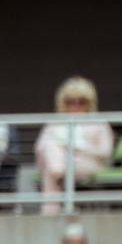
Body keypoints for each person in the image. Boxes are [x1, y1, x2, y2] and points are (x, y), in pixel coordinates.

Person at [33, 77, 114, 209]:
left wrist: (80, 148)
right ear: (62, 103)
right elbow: (40, 148)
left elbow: (106, 151)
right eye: (70, 102)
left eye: (81, 102)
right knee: (50, 149)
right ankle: (57, 169)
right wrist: (61, 148)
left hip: (87, 163)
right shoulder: (54, 124)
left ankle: (50, 214)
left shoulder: (99, 123)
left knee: (54, 168)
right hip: (58, 164)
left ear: (90, 103)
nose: (76, 106)